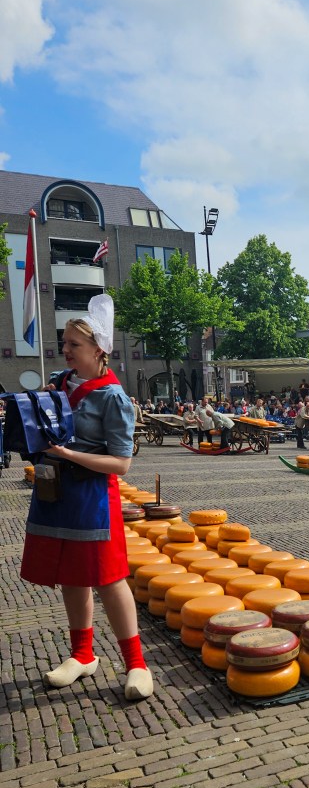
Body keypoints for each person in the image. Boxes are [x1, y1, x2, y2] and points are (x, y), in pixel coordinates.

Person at [19, 295, 153, 700]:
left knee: (110, 580)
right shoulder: (58, 383)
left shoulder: (112, 397)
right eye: (64, 344)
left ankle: (136, 665)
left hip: (93, 495)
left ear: (99, 350)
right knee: (70, 576)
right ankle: (82, 656)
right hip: (54, 490)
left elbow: (121, 464)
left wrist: (68, 453)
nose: (65, 350)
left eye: (73, 344)